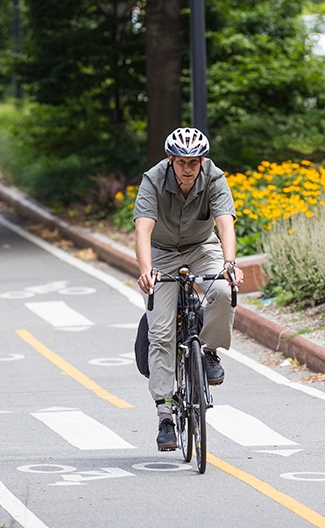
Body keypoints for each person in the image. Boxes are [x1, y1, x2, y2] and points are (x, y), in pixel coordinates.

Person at [133, 127, 242, 451]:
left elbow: (225, 223)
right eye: (182, 162)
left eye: (194, 162)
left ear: (202, 160)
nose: (188, 168)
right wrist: (146, 271)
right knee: (162, 331)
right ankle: (165, 413)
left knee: (222, 291)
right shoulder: (152, 180)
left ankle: (208, 351)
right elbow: (143, 229)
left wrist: (230, 263)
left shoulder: (214, 177)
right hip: (162, 253)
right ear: (171, 160)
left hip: (201, 247)